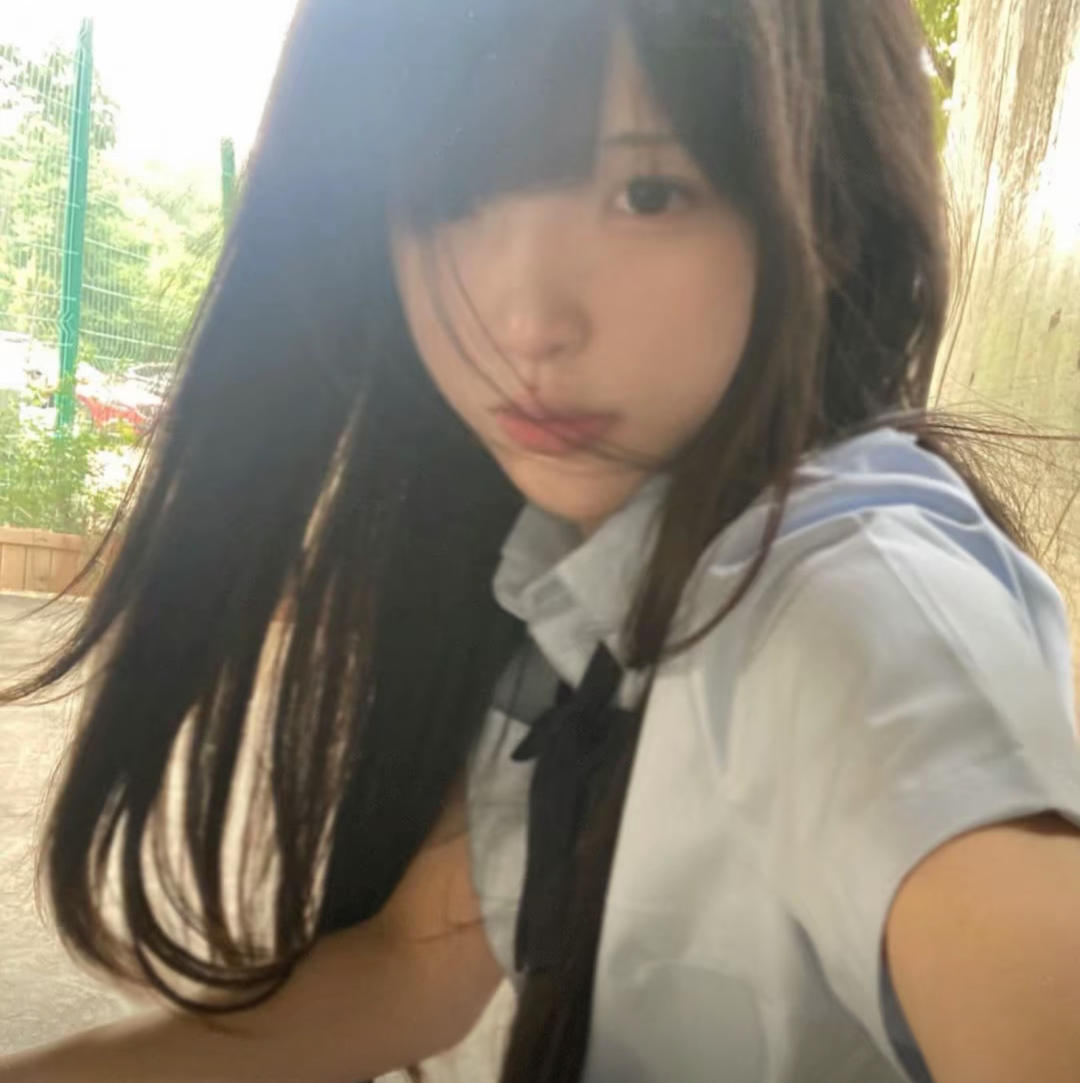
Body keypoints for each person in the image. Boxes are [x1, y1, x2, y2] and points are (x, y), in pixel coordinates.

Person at [3, 0, 1080, 1080]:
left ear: (829, 214)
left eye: (647, 194)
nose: (526, 322)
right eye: (453, 195)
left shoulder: (852, 605)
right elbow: (416, 966)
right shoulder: (587, 569)